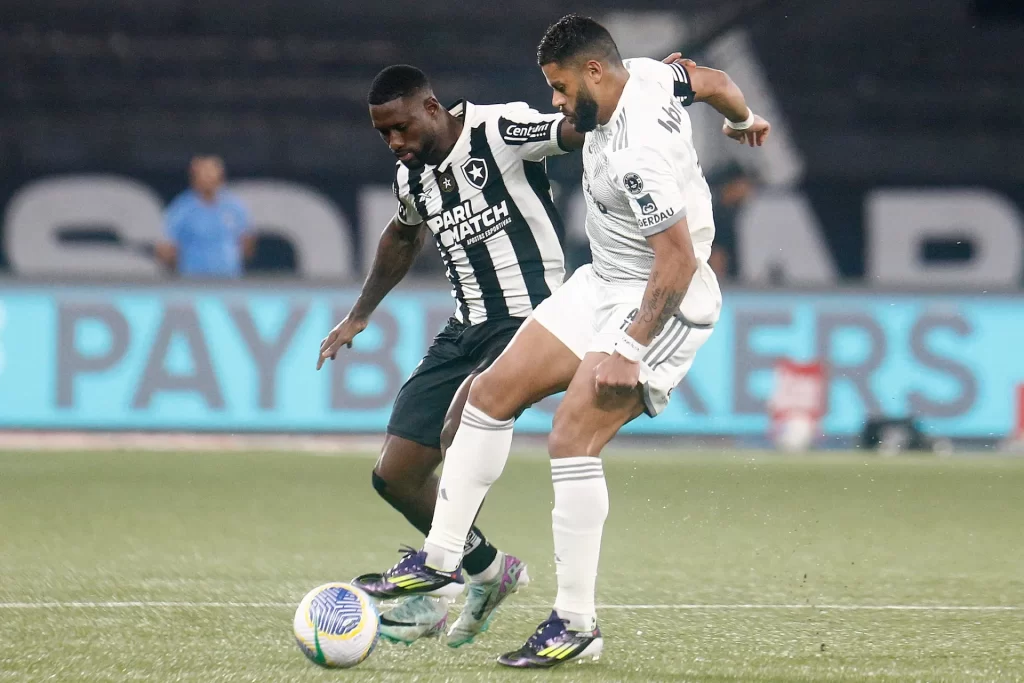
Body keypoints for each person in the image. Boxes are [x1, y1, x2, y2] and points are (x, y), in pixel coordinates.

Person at [350, 15, 770, 669]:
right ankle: (441, 558)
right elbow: (710, 80)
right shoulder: (654, 75)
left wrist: (629, 348)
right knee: (488, 394)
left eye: (560, 88)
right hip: (602, 282)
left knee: (571, 437)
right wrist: (742, 120)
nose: (556, 102)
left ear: (595, 72)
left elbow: (679, 261)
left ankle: (577, 622)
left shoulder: (636, 155)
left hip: (666, 300)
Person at [317, 60, 696, 647]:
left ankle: (436, 586)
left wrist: (643, 99)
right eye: (382, 134)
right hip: (465, 327)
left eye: (400, 128)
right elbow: (402, 234)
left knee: (463, 420)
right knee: (394, 476)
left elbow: (571, 130)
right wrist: (360, 312)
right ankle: (488, 571)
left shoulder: (499, 130)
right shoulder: (410, 175)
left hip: (531, 316)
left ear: (431, 108)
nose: (394, 142)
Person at [158, 156, 253, 277]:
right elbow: (166, 247)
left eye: (211, 174)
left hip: (229, 279)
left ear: (220, 177)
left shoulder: (234, 207)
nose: (208, 178)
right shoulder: (181, 208)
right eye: (204, 174)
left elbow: (247, 243)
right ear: (194, 178)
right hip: (194, 280)